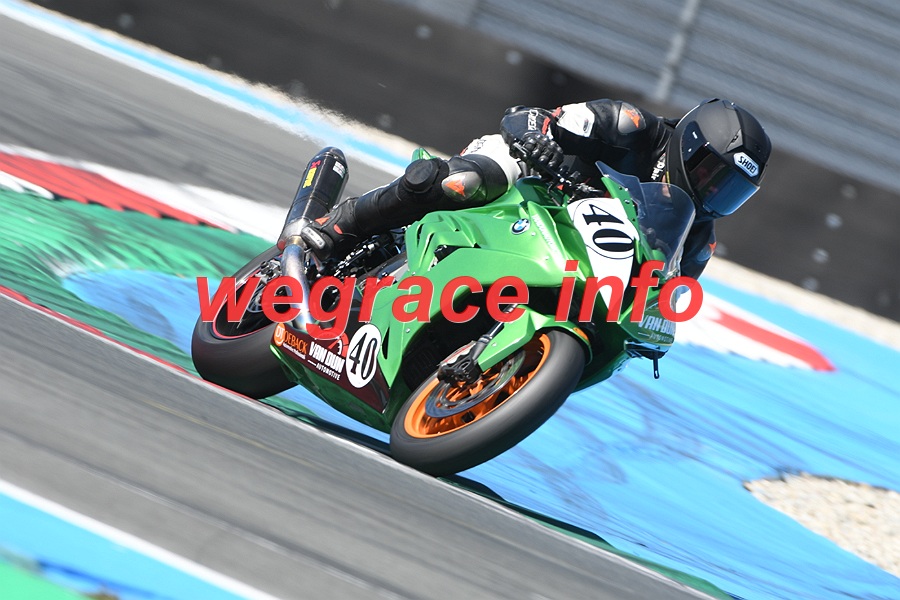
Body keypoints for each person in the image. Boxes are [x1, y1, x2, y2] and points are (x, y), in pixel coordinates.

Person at [300, 98, 772, 279]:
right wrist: (539, 141)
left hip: (565, 254)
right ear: (689, 146)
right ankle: (341, 223)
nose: (713, 194)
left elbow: (662, 300)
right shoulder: (630, 125)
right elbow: (529, 117)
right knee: (464, 182)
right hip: (528, 180)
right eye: (713, 175)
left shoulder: (697, 239)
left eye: (732, 191)